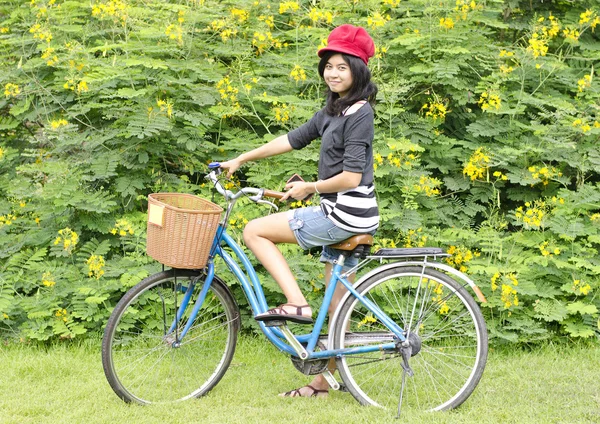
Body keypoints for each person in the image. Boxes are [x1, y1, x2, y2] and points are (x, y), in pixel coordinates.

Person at [220, 24, 379, 398]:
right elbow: (291, 140)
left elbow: (352, 177)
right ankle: (321, 385)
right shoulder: (333, 111)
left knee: (254, 231)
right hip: (346, 211)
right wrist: (242, 158)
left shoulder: (360, 114)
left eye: (342, 66)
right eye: (328, 66)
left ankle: (296, 305)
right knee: (337, 307)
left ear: (359, 70)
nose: (333, 73)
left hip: (345, 213)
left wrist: (310, 187)